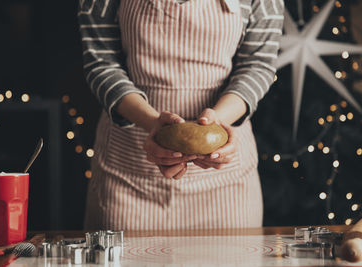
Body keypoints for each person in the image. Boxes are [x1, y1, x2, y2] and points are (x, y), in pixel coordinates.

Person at [78, 0, 284, 230]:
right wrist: (151, 122)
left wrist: (218, 120)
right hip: (128, 176)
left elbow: (257, 65)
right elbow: (101, 63)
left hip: (226, 180)